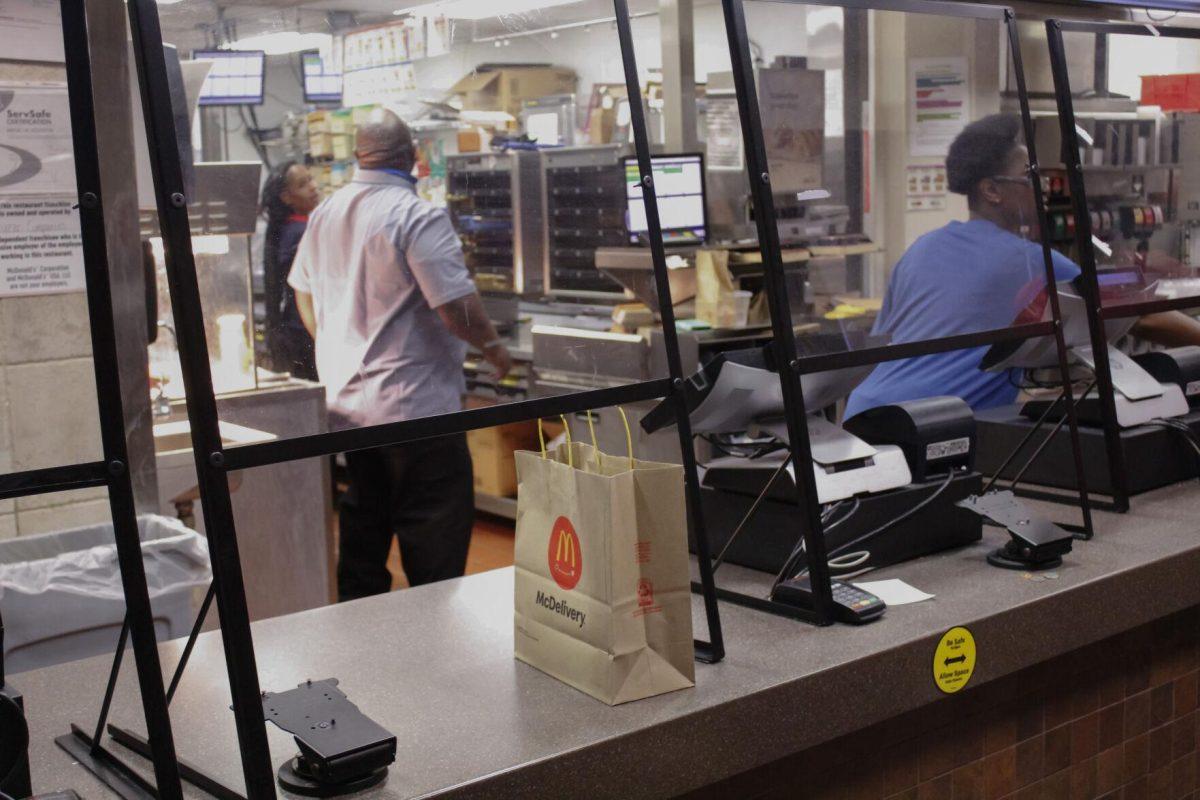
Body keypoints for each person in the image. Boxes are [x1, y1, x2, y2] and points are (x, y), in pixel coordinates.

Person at [288, 108, 513, 600]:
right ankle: (433, 638)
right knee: (433, 531)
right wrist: (496, 349)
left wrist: (336, 343)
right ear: (414, 157)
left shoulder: (326, 212)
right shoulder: (416, 214)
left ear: (357, 156)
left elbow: (303, 293)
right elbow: (454, 306)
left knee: (365, 523)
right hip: (417, 410)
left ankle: (366, 638)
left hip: (349, 406)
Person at [845, 113, 1200, 419]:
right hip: (929, 424)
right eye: (1029, 175)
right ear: (992, 190)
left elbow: (884, 342)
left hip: (866, 411)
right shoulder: (1026, 260)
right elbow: (1139, 316)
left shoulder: (922, 248)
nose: (1042, 186)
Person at [260, 161, 320, 380]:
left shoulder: (285, 228)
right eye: (303, 184)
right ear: (286, 197)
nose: (313, 186)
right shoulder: (299, 231)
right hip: (305, 329)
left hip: (293, 328)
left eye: (311, 179)